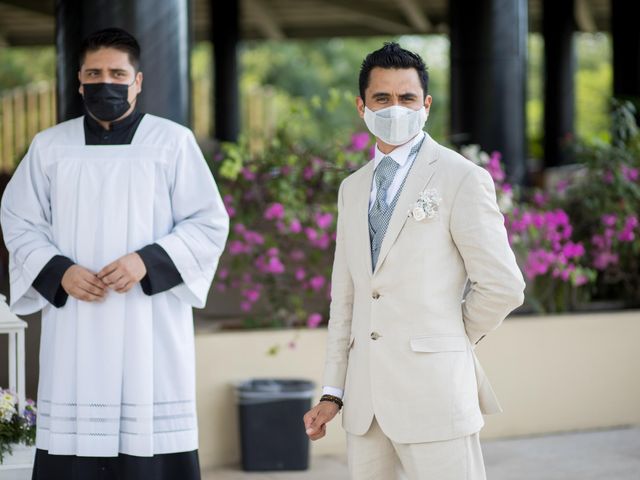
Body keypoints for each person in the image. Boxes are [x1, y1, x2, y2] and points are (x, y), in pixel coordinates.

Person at [0, 28, 229, 479]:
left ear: (138, 81)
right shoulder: (51, 147)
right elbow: (18, 219)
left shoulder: (173, 143)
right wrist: (58, 271)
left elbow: (208, 221)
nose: (107, 83)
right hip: (76, 322)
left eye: (117, 73)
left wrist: (148, 261)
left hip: (150, 320)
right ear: (80, 82)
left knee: (149, 441)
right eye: (95, 73)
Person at [303, 42, 525, 480]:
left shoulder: (461, 177)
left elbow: (503, 285)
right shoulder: (352, 188)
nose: (394, 108)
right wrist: (334, 392)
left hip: (436, 395)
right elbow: (344, 298)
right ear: (361, 106)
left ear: (425, 105)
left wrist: (452, 337)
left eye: (406, 98)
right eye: (382, 98)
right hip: (364, 409)